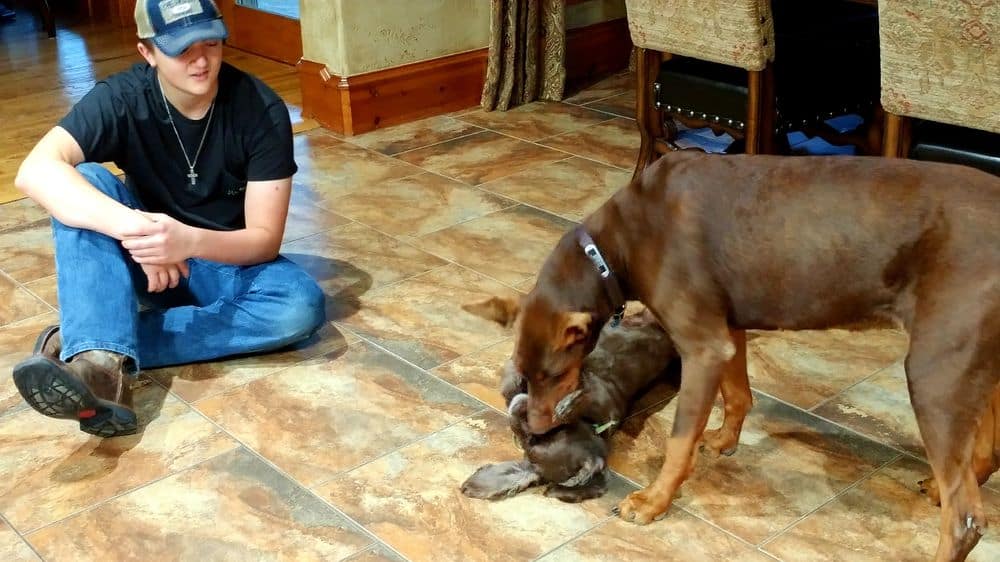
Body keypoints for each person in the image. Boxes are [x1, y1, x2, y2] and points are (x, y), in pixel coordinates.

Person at [11, 0, 326, 438]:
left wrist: (187, 241)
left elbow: (264, 241)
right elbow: (36, 171)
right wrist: (143, 233)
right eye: (181, 48)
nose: (201, 59)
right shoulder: (123, 97)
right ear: (148, 52)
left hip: (225, 262)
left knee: (298, 306)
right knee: (83, 179)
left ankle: (90, 350)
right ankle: (98, 358)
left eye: (211, 42)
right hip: (147, 263)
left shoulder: (260, 109)